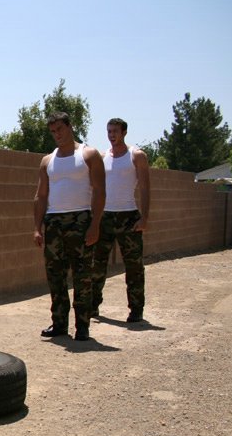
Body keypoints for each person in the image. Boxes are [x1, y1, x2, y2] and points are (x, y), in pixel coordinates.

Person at [33, 112, 105, 341]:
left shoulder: (88, 154)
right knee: (55, 276)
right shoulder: (47, 160)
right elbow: (41, 195)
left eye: (60, 129)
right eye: (53, 131)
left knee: (82, 276)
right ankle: (59, 323)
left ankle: (82, 325)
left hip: (80, 220)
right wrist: (37, 228)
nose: (57, 135)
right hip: (54, 222)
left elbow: (100, 191)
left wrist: (95, 225)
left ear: (70, 126)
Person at [91, 118, 150, 323]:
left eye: (115, 131)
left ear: (124, 132)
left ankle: (136, 309)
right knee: (97, 264)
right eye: (109, 131)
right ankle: (92, 306)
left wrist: (144, 218)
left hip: (128, 217)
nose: (112, 135)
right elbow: (95, 188)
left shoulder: (137, 155)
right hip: (105, 217)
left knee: (134, 267)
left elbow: (145, 188)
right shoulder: (102, 157)